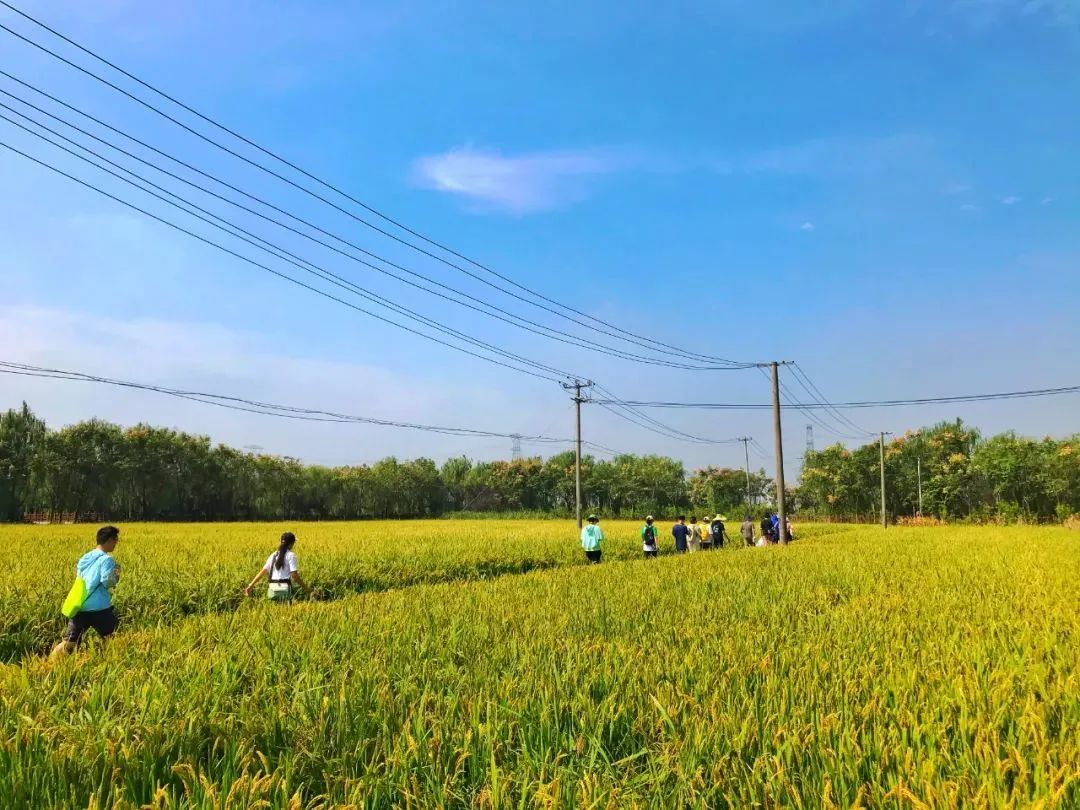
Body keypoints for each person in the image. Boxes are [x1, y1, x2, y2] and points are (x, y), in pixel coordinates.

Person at [51, 525, 122, 658]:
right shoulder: (107, 559)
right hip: (99, 608)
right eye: (116, 540)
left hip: (80, 605)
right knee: (111, 638)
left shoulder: (85, 557)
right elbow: (108, 581)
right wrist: (116, 573)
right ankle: (111, 661)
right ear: (110, 540)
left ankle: (49, 663)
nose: (116, 543)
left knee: (69, 642)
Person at [244, 531, 310, 601]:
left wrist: (250, 586)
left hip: (272, 591)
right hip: (285, 590)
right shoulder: (291, 555)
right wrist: (307, 589)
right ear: (291, 544)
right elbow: (294, 576)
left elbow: (262, 572)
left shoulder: (273, 555)